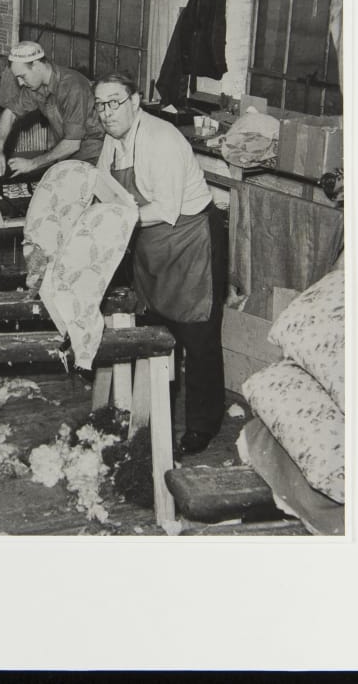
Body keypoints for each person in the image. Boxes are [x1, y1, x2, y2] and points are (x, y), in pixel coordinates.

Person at [93, 72, 228, 455]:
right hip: (151, 244)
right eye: (100, 105)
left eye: (115, 102)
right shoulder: (113, 140)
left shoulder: (161, 140)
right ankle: (152, 416)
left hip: (191, 240)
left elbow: (166, 210)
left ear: (135, 101)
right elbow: (104, 187)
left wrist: (116, 219)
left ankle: (202, 426)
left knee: (197, 337)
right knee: (156, 330)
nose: (107, 112)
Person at [0, 41, 106, 179]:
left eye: (22, 76)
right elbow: (10, 113)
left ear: (37, 65)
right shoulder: (35, 87)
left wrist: (32, 163)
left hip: (95, 159)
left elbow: (72, 144)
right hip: (68, 158)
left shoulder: (72, 87)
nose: (20, 83)